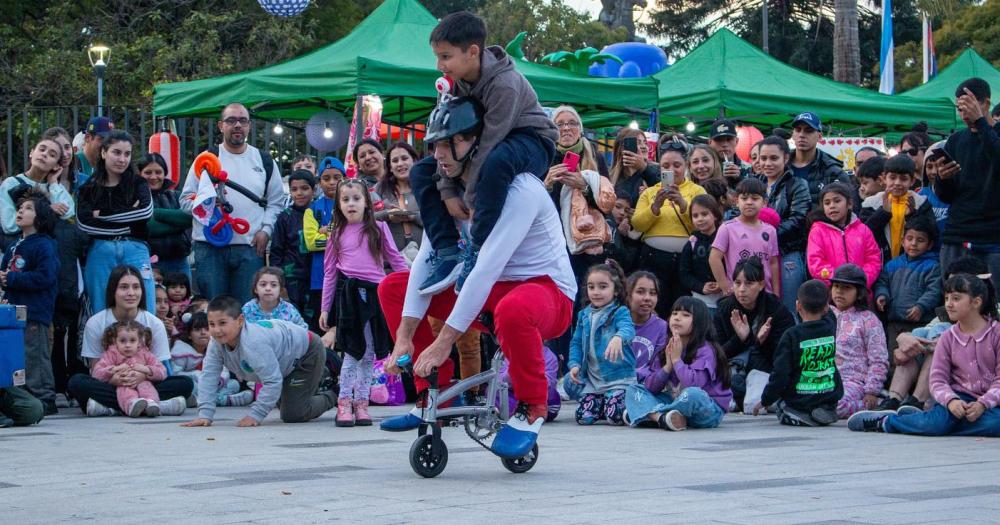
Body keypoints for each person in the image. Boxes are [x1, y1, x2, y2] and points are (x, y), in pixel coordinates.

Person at [377, 95, 574, 459]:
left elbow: (487, 267)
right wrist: (403, 338)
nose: (438, 154)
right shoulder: (446, 188)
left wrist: (443, 341)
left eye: (449, 143)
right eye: (434, 145)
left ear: (477, 143)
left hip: (547, 296)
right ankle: (430, 394)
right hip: (486, 293)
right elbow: (427, 259)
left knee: (513, 308)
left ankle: (532, 407)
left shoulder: (521, 189)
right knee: (394, 287)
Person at [413, 11, 558, 294]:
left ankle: (476, 248)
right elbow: (443, 138)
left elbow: (490, 143)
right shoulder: (451, 84)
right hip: (483, 144)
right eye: (437, 56)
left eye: (445, 56)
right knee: (420, 171)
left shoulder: (504, 84)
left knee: (497, 161)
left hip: (530, 139)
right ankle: (447, 250)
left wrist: (470, 197)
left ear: (473, 52)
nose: (439, 64)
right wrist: (445, 189)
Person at [848, 273, 1000, 436]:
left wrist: (983, 404)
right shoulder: (948, 337)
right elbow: (937, 380)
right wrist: (951, 401)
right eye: (947, 298)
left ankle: (921, 420)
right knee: (938, 423)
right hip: (956, 400)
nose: (949, 304)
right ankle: (886, 422)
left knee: (994, 424)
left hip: (992, 403)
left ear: (976, 302)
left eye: (956, 299)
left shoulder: (996, 333)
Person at [318, 179, 409, 427]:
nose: (351, 204)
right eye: (345, 199)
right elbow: (329, 273)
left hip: (376, 295)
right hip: (350, 297)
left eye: (356, 198)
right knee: (351, 351)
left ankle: (362, 404)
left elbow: (396, 260)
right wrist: (325, 308)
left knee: (369, 354)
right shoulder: (335, 234)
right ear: (338, 204)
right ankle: (344, 403)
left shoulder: (379, 228)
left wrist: (412, 287)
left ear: (366, 203)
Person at [180, 103, 287, 304]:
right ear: (221, 126)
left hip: (249, 249)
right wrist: (209, 206)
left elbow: (276, 202)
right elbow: (185, 201)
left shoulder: (263, 160)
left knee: (246, 312)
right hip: (209, 248)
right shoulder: (205, 159)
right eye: (231, 120)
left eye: (242, 120)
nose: (237, 125)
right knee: (214, 311)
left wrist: (266, 230)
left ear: (249, 126)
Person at [181, 295, 336, 427]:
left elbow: (273, 381)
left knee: (294, 414)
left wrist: (256, 415)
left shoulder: (254, 343)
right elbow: (209, 375)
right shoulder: (216, 342)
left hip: (307, 352)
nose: (216, 330)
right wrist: (205, 415)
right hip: (283, 360)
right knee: (283, 403)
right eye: (212, 324)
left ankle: (336, 391)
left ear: (240, 320)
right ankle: (315, 383)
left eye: (223, 323)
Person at [67, 265, 194, 415]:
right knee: (77, 383)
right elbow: (96, 370)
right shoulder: (96, 323)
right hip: (111, 383)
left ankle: (112, 408)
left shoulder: (154, 323)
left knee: (184, 384)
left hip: (146, 383)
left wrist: (143, 375)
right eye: (124, 287)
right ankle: (152, 405)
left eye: (136, 287)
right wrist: (115, 378)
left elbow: (160, 370)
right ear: (113, 291)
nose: (131, 293)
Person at [879, 256, 987, 412]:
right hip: (944, 380)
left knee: (939, 346)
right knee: (917, 340)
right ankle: (892, 401)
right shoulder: (946, 314)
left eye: (957, 292)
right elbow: (922, 335)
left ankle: (917, 403)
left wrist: (940, 346)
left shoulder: (994, 315)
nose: (950, 301)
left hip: (976, 384)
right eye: (948, 292)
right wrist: (904, 340)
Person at [930, 77, 1000, 290]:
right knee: (955, 299)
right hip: (957, 234)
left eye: (969, 107)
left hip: (994, 235)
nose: (964, 115)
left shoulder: (995, 134)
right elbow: (947, 195)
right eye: (960, 109)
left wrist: (980, 122)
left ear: (986, 104)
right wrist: (943, 178)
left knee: (994, 304)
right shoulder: (956, 140)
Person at [76, 130, 156, 314]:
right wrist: (129, 220)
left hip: (135, 248)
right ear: (104, 153)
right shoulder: (88, 188)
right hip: (100, 251)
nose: (122, 159)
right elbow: (84, 223)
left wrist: (101, 215)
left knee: (145, 309)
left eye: (127, 154)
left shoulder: (138, 183)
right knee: (100, 310)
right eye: (116, 152)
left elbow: (145, 212)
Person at [625, 297, 732, 430]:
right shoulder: (667, 347)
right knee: (634, 389)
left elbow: (694, 384)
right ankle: (663, 418)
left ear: (700, 322)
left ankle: (649, 413)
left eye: (685, 315)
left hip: (707, 411)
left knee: (693, 394)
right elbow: (651, 387)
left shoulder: (706, 350)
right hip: (676, 403)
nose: (677, 318)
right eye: (674, 313)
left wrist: (677, 361)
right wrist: (667, 367)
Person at [0, 190, 59, 414]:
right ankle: (25, 395)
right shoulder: (15, 245)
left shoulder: (44, 245)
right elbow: (8, 272)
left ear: (40, 217)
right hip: (14, 313)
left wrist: (12, 278)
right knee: (19, 354)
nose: (21, 211)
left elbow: (46, 276)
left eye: (28, 209)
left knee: (35, 355)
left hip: (34, 312)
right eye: (20, 208)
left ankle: (44, 396)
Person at [754, 279, 843, 426]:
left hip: (801, 398)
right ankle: (826, 409)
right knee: (825, 394)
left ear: (798, 306)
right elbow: (829, 314)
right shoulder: (830, 326)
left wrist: (765, 400)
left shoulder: (791, 336)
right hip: (828, 394)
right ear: (827, 307)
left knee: (781, 406)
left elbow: (780, 374)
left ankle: (800, 415)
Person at [631, 141, 707, 313]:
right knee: (656, 306)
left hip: (686, 260)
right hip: (653, 258)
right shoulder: (650, 192)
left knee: (682, 307)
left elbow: (705, 223)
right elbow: (637, 223)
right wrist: (655, 206)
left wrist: (682, 203)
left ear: (686, 166)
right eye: (665, 165)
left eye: (677, 165)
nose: (671, 169)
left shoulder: (697, 191)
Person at [714, 257, 795, 413]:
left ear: (761, 285)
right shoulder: (724, 309)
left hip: (764, 369)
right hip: (733, 368)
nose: (742, 289)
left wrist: (760, 343)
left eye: (749, 283)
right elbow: (716, 354)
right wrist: (741, 339)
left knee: (756, 400)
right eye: (737, 283)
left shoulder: (776, 309)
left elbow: (785, 354)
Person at [565, 261, 636, 425]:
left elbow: (628, 329)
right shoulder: (583, 315)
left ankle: (618, 401)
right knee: (583, 418)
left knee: (615, 417)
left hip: (619, 380)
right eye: (591, 287)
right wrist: (574, 365)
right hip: (594, 382)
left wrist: (618, 338)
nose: (596, 292)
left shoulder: (620, 311)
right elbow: (576, 343)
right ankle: (604, 402)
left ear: (616, 290)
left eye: (603, 287)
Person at [756, 136, 811, 311]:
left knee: (790, 309)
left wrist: (765, 234)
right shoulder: (756, 184)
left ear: (786, 158)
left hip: (788, 253)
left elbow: (798, 219)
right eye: (763, 158)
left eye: (774, 158)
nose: (767, 163)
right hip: (759, 253)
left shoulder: (797, 184)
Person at [829, 264, 889, 419]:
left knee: (836, 405)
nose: (839, 291)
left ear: (859, 293)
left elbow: (879, 359)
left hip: (854, 382)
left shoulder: (868, 319)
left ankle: (878, 404)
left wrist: (871, 391)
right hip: (824, 378)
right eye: (836, 286)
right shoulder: (825, 314)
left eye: (847, 287)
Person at [91, 321, 183, 417]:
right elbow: (96, 373)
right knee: (124, 387)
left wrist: (146, 371)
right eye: (122, 341)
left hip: (146, 385)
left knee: (181, 383)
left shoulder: (145, 353)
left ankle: (150, 404)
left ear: (139, 342)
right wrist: (114, 371)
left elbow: (162, 372)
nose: (127, 345)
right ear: (115, 341)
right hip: (120, 386)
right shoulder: (111, 354)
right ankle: (133, 405)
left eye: (132, 340)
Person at [874, 217, 942, 348]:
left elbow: (934, 291)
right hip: (894, 323)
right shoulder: (892, 265)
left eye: (920, 240)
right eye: (909, 239)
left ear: (930, 245)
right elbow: (882, 283)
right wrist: (882, 296)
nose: (914, 243)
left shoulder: (933, 266)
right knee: (895, 358)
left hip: (920, 323)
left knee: (917, 357)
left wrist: (921, 306)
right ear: (902, 241)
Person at [709, 178, 781, 296]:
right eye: (744, 198)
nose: (749, 202)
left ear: (764, 202)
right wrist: (726, 288)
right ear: (737, 201)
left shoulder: (770, 231)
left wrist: (776, 293)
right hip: (739, 294)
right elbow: (714, 258)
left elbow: (773, 263)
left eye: (755, 198)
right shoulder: (727, 228)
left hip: (764, 294)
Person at [0, 137, 76, 249]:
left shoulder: (54, 187)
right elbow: (9, 225)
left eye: (52, 155)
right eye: (42, 149)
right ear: (31, 153)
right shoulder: (11, 183)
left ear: (56, 166)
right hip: (19, 253)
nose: (44, 154)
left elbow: (68, 212)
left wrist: (54, 183)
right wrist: (47, 210)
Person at [860, 154, 936, 263]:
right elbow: (864, 235)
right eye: (892, 177)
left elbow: (930, 233)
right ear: (884, 178)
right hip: (878, 263)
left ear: (912, 181)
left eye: (903, 179)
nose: (897, 183)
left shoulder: (920, 202)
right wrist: (883, 213)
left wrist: (912, 215)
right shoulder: (871, 203)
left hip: (911, 264)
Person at [170, 309, 253, 408]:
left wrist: (220, 380)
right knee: (191, 386)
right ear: (189, 335)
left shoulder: (216, 347)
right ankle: (221, 400)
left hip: (213, 386)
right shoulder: (181, 350)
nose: (203, 333)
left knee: (234, 384)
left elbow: (224, 370)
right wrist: (195, 375)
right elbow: (175, 374)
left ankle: (215, 400)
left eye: (207, 329)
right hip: (196, 385)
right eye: (197, 330)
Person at [806, 183, 882, 290]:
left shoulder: (863, 230)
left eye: (837, 201)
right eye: (827, 203)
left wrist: (861, 280)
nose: (832, 206)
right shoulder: (818, 231)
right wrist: (840, 280)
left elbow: (873, 259)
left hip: (860, 292)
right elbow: (815, 263)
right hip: (831, 292)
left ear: (849, 203)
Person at [303, 156, 345, 330]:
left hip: (349, 277)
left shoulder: (353, 203)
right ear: (319, 182)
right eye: (326, 178)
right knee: (323, 327)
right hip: (320, 279)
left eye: (337, 177)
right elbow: (311, 243)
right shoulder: (312, 209)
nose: (332, 182)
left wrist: (327, 232)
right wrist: (339, 237)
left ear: (345, 178)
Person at [137, 152, 192, 280]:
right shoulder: (135, 198)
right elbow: (147, 227)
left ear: (164, 173)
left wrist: (155, 213)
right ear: (140, 174)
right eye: (148, 172)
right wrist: (177, 222)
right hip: (151, 264)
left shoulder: (176, 195)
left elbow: (189, 218)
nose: (154, 177)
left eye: (158, 172)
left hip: (179, 262)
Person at [270, 169, 315, 310]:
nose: (299, 193)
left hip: (315, 276)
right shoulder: (285, 217)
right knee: (292, 315)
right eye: (294, 189)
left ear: (314, 189)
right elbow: (276, 251)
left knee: (313, 317)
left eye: (304, 188)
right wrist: (277, 281)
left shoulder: (319, 213)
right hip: (291, 278)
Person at [788, 112, 852, 204]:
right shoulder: (779, 165)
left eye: (808, 130)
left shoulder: (833, 171)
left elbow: (846, 208)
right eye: (798, 130)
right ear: (793, 135)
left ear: (820, 136)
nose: (801, 135)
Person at [374, 142, 423, 254]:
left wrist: (412, 216)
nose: (400, 163)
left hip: (425, 258)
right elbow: (367, 218)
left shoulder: (426, 187)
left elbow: (436, 220)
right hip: (390, 261)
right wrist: (387, 215)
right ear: (390, 167)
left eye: (404, 158)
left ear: (414, 160)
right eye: (395, 161)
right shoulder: (380, 188)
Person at [679, 195, 724, 312]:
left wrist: (722, 283)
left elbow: (734, 266)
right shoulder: (692, 242)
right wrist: (700, 287)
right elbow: (684, 273)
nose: (700, 219)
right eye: (695, 216)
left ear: (715, 215)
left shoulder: (726, 238)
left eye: (704, 214)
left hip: (725, 299)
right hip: (700, 302)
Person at [626, 271, 667, 384]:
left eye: (652, 293)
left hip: (644, 386)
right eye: (640, 292)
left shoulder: (662, 327)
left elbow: (657, 366)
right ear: (628, 295)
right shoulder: (616, 322)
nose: (647, 298)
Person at [242, 266, 308, 330]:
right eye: (263, 284)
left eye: (273, 285)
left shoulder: (289, 310)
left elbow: (303, 330)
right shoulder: (248, 309)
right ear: (255, 289)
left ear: (281, 290)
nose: (268, 288)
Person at [609, 127, 659, 207]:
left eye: (645, 143)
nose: (643, 147)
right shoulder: (611, 178)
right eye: (638, 143)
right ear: (623, 149)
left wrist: (644, 168)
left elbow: (665, 189)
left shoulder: (656, 170)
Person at [918, 141, 950, 243]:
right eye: (929, 166)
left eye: (939, 166)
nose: (934, 172)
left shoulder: (960, 195)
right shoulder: (920, 195)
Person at [708, 118, 751, 186]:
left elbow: (754, 194)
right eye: (719, 140)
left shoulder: (748, 169)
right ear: (710, 142)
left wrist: (739, 179)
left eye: (729, 139)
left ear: (736, 141)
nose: (724, 144)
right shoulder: (705, 168)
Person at [75, 116, 114, 188]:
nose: (106, 145)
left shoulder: (108, 167)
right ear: (87, 138)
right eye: (101, 139)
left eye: (110, 141)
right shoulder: (74, 164)